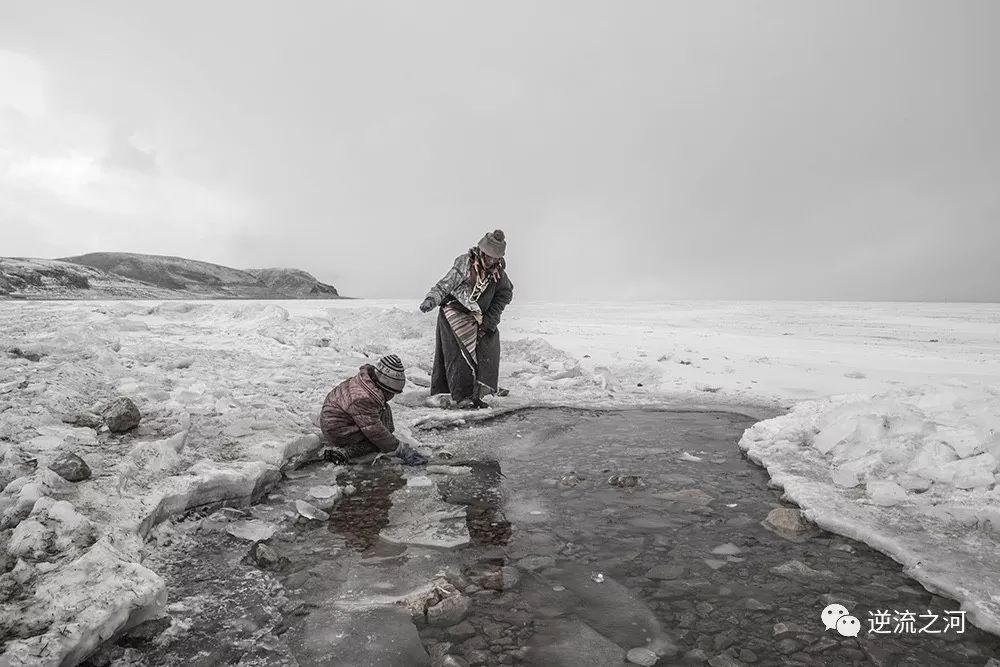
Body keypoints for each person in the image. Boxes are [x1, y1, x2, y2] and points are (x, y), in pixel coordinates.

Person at [419, 229, 514, 408]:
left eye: (495, 258)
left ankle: (482, 390)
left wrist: (490, 320)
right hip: (455, 311)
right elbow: (445, 285)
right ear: (481, 251)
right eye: (488, 256)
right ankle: (461, 396)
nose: (491, 261)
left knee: (489, 345)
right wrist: (431, 299)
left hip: (479, 315)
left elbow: (504, 295)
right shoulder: (464, 263)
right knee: (458, 354)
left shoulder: (499, 274)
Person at [320, 354, 427, 465]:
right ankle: (344, 453)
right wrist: (401, 450)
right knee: (376, 442)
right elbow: (375, 432)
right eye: (392, 393)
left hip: (338, 420)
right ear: (386, 390)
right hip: (338, 429)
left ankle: (386, 443)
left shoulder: (366, 383)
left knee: (384, 412)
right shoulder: (363, 399)